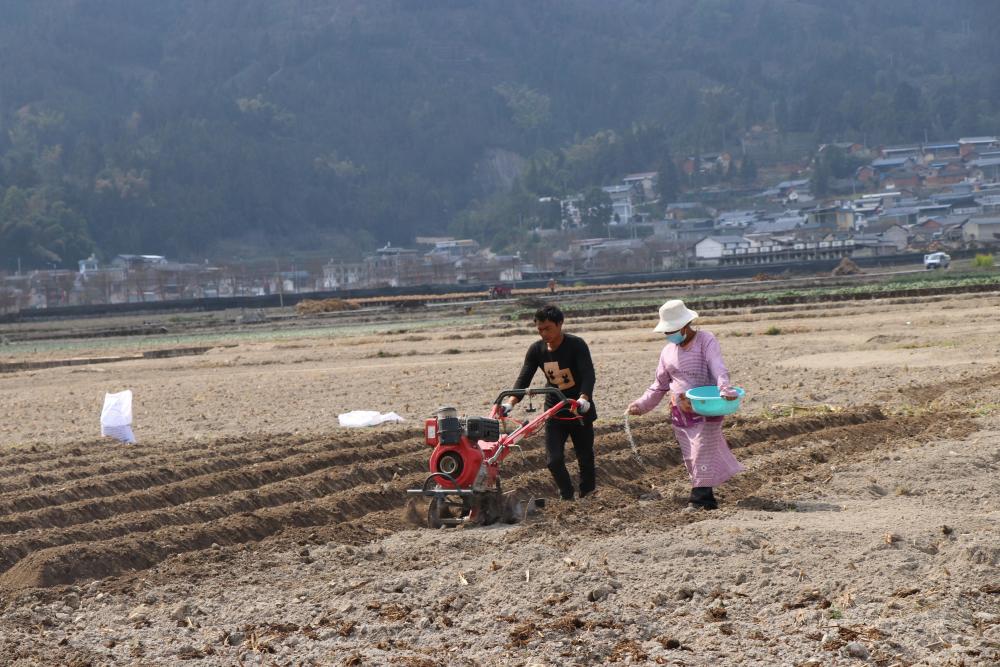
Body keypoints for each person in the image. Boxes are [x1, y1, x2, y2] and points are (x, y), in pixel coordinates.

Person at [626, 299, 743, 510]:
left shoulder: (705, 340)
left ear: (685, 325)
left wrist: (724, 387)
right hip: (681, 412)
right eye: (666, 331)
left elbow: (717, 366)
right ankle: (706, 496)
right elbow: (659, 385)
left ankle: (700, 500)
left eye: (671, 330)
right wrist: (641, 405)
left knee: (701, 451)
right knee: (691, 456)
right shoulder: (667, 352)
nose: (668, 335)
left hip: (706, 408)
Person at [503, 304, 596, 500]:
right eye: (540, 329)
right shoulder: (536, 350)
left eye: (548, 328)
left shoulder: (576, 345)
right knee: (553, 460)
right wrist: (510, 403)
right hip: (555, 410)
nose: (543, 333)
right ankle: (567, 495)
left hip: (578, 408)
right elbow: (524, 379)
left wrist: (584, 398)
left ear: (560, 324)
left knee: (585, 457)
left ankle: (588, 495)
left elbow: (588, 374)